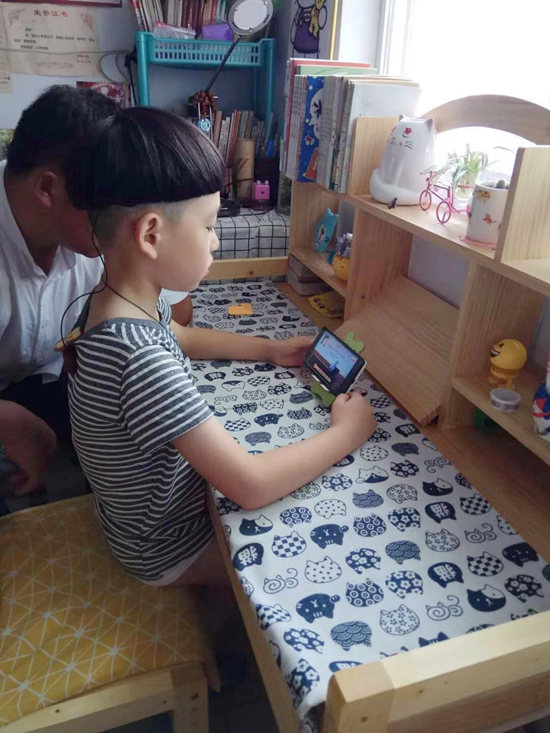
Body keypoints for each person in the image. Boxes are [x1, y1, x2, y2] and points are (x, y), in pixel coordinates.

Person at [65, 106, 377, 588]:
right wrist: (347, 432)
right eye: (209, 225)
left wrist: (269, 349)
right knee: (318, 556)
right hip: (169, 549)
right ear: (151, 234)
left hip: (141, 525)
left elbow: (182, 336)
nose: (215, 242)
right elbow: (251, 484)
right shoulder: (138, 358)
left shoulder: (117, 303)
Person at [0, 85, 193, 499]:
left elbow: (177, 315)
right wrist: (7, 419)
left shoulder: (95, 231)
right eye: (108, 201)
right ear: (48, 189)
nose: (127, 218)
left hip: (50, 383)